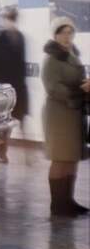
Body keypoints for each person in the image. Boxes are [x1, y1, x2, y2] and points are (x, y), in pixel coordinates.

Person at [41, 16, 89, 217]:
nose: (67, 36)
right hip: (59, 115)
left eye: (70, 32)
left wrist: (86, 84)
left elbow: (77, 80)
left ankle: (68, 201)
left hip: (74, 113)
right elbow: (53, 88)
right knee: (60, 159)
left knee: (72, 158)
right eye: (63, 33)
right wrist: (81, 90)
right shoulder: (52, 59)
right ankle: (57, 204)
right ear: (55, 35)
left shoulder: (72, 55)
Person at [0, 6, 28, 164]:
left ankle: (27, 156)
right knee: (5, 124)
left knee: (21, 119)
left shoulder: (21, 37)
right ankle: (2, 153)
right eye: (9, 18)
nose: (11, 21)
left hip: (19, 87)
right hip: (3, 88)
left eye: (13, 18)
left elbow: (22, 64)